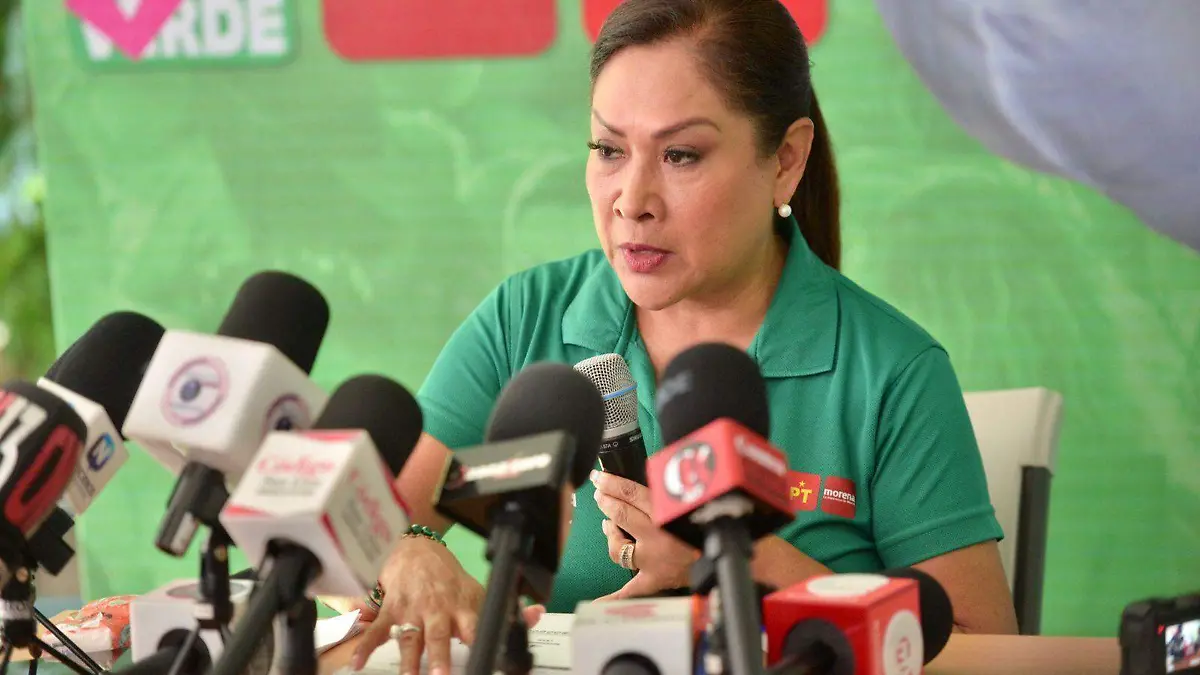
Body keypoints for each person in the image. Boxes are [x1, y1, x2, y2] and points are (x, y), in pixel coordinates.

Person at [348, 0, 1019, 671]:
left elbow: (988, 650)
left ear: (785, 160)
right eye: (609, 149)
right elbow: (347, 539)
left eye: (680, 154)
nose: (632, 199)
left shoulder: (893, 370)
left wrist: (735, 558)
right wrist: (409, 555)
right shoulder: (526, 320)